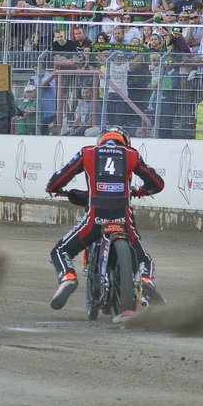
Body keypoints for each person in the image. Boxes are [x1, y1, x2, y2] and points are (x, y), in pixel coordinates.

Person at [45, 126, 166, 310]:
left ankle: (68, 277)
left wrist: (54, 189)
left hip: (95, 217)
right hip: (123, 218)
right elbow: (157, 183)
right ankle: (146, 280)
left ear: (101, 140)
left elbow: (59, 179)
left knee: (60, 251)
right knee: (144, 259)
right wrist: (140, 191)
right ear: (125, 141)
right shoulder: (131, 154)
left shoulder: (88, 152)